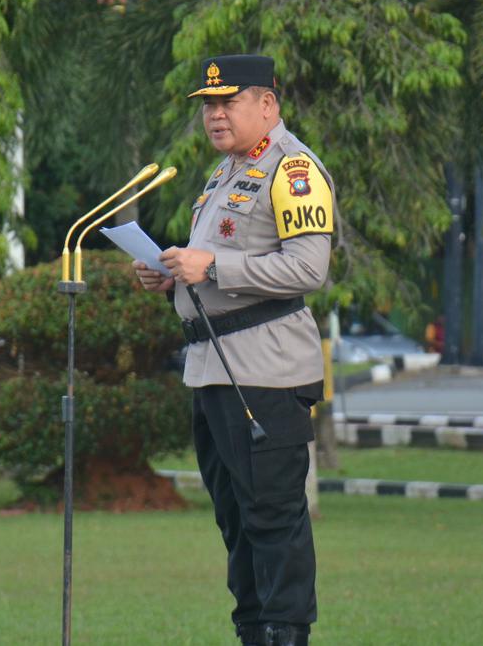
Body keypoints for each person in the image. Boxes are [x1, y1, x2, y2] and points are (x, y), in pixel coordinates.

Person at [133, 54, 334, 646]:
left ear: (267, 104)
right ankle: (253, 632)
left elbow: (308, 268)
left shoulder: (291, 169)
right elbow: (216, 264)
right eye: (209, 105)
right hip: (214, 368)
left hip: (266, 372)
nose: (215, 115)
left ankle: (285, 634)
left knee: (273, 520)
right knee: (237, 523)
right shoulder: (226, 172)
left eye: (228, 102)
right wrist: (172, 276)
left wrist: (213, 265)